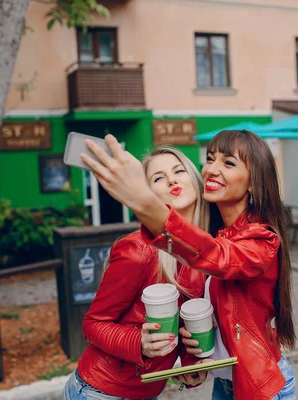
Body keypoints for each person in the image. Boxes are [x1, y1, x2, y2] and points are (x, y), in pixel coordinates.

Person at [82, 130, 297, 400]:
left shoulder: (258, 240)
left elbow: (218, 258)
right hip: (225, 384)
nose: (212, 169)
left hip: (258, 385)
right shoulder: (212, 236)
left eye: (228, 163)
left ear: (254, 182)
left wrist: (142, 201)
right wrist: (192, 360)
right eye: (210, 159)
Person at [63, 146, 209, 400]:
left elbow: (184, 322)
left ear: (195, 181)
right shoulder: (139, 250)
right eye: (158, 178)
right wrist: (138, 342)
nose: (172, 180)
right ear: (146, 194)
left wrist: (190, 363)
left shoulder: (207, 252)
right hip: (100, 392)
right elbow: (92, 324)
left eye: (179, 171)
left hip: (146, 392)